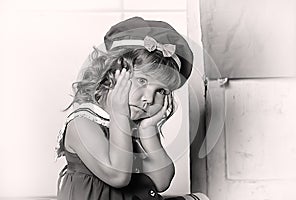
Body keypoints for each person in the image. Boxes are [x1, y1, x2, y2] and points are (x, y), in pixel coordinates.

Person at [55, 16, 199, 200]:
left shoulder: (133, 129)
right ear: (112, 73)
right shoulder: (82, 123)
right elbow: (118, 176)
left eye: (161, 90)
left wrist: (148, 130)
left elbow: (161, 181)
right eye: (142, 81)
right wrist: (119, 115)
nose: (148, 98)